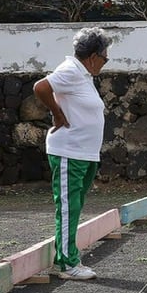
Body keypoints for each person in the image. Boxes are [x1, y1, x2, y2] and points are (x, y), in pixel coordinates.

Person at [33, 27, 112, 280]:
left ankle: (67, 256)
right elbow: (41, 87)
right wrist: (56, 113)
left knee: (74, 205)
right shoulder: (70, 71)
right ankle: (67, 263)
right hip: (69, 150)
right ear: (93, 56)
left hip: (84, 153)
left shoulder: (83, 75)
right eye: (105, 57)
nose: (105, 62)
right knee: (68, 206)